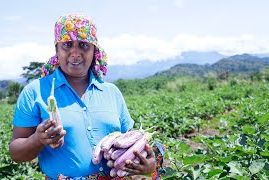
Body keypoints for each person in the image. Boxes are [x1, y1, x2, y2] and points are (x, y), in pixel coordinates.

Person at [9, 13, 165, 179]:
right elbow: (16, 154)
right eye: (67, 45)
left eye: (84, 45)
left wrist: (149, 164)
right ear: (57, 49)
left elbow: (131, 141)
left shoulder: (111, 92)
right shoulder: (35, 92)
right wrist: (37, 140)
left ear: (94, 51)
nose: (75, 53)